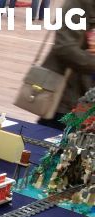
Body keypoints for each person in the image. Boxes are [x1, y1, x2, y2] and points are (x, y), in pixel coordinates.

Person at [37, 0, 95, 130]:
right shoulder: (80, 3)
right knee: (57, 137)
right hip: (67, 97)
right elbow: (64, 47)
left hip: (88, 103)